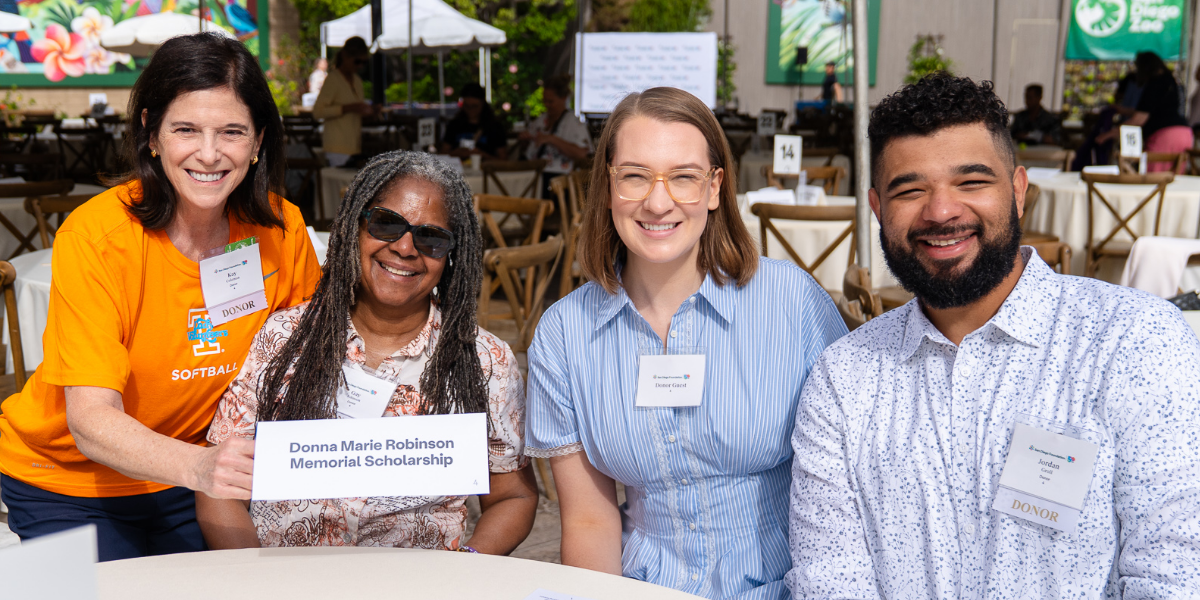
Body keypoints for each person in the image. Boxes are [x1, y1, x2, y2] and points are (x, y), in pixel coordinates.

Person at [786, 73, 1200, 598]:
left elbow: (1175, 573)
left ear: (1019, 191)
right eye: (909, 189)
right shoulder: (844, 379)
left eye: (972, 182)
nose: (941, 211)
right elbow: (831, 580)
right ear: (877, 210)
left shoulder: (1132, 342)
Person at [0, 33, 321, 561]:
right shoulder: (96, 237)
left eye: (232, 132)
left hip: (199, 481)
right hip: (70, 482)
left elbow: (309, 367)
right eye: (186, 130)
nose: (210, 154)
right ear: (151, 133)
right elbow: (90, 420)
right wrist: (201, 468)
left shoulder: (281, 228)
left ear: (260, 141)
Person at [525, 87, 846, 599]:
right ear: (608, 186)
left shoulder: (793, 305)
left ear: (716, 187)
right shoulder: (564, 335)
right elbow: (589, 521)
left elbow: (846, 496)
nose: (658, 201)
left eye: (683, 177)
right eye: (634, 176)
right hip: (642, 586)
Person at [197, 151, 537, 551]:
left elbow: (513, 496)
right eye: (387, 224)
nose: (406, 248)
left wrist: (467, 571)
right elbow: (218, 485)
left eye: (431, 237)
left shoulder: (485, 361)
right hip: (286, 583)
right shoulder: (285, 337)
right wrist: (256, 583)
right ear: (353, 228)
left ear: (451, 255)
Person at [1098, 52, 1192, 172]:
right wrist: (1121, 110)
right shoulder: (1171, 80)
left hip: (1165, 135)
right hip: (1184, 133)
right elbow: (1149, 111)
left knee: (1154, 181)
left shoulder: (1155, 83)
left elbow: (1139, 119)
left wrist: (1108, 134)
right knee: (1174, 182)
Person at [520, 75, 592, 197]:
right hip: (533, 173)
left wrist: (552, 139)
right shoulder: (541, 120)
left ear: (563, 98)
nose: (547, 105)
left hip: (558, 178)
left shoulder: (573, 123)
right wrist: (525, 139)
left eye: (551, 101)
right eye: (545, 101)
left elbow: (582, 154)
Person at [313, 37, 374, 167]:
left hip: (355, 147)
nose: (360, 66)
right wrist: (348, 108)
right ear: (346, 56)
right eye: (357, 61)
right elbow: (318, 112)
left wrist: (371, 112)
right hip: (336, 148)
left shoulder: (357, 81)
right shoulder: (333, 79)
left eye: (364, 62)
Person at [439, 83, 508, 161]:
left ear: (482, 104)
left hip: (486, 170)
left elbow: (503, 160)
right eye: (467, 106)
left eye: (474, 106)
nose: (471, 110)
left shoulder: (495, 127)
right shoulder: (454, 125)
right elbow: (442, 155)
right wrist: (456, 153)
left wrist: (481, 155)